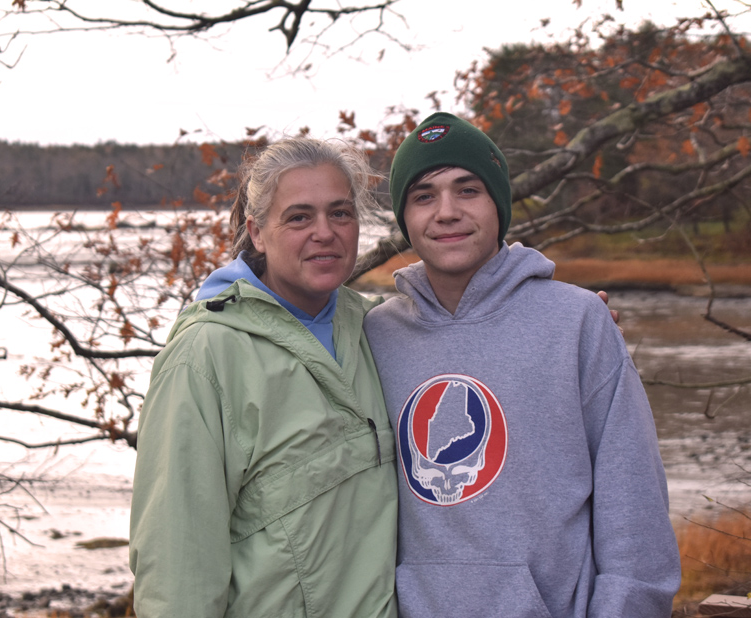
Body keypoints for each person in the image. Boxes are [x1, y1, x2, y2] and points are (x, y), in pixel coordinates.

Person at [363, 112, 681, 618]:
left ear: (498, 204)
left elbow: (634, 507)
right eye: (424, 196)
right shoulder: (374, 335)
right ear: (405, 218)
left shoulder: (578, 321)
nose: (446, 212)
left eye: (468, 190)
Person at [129, 138, 398, 617]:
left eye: (340, 213)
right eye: (299, 217)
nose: (325, 233)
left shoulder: (375, 329)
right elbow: (177, 567)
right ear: (256, 231)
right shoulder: (206, 356)